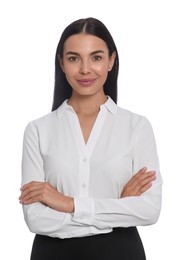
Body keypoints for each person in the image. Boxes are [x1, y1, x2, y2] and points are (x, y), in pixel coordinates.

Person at [19, 17, 162, 260]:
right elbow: (36, 219)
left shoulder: (137, 127)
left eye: (96, 57)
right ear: (62, 63)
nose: (85, 69)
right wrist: (118, 208)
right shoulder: (38, 130)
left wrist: (68, 203)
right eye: (74, 58)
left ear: (111, 61)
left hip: (121, 253)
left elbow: (149, 210)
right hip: (53, 254)